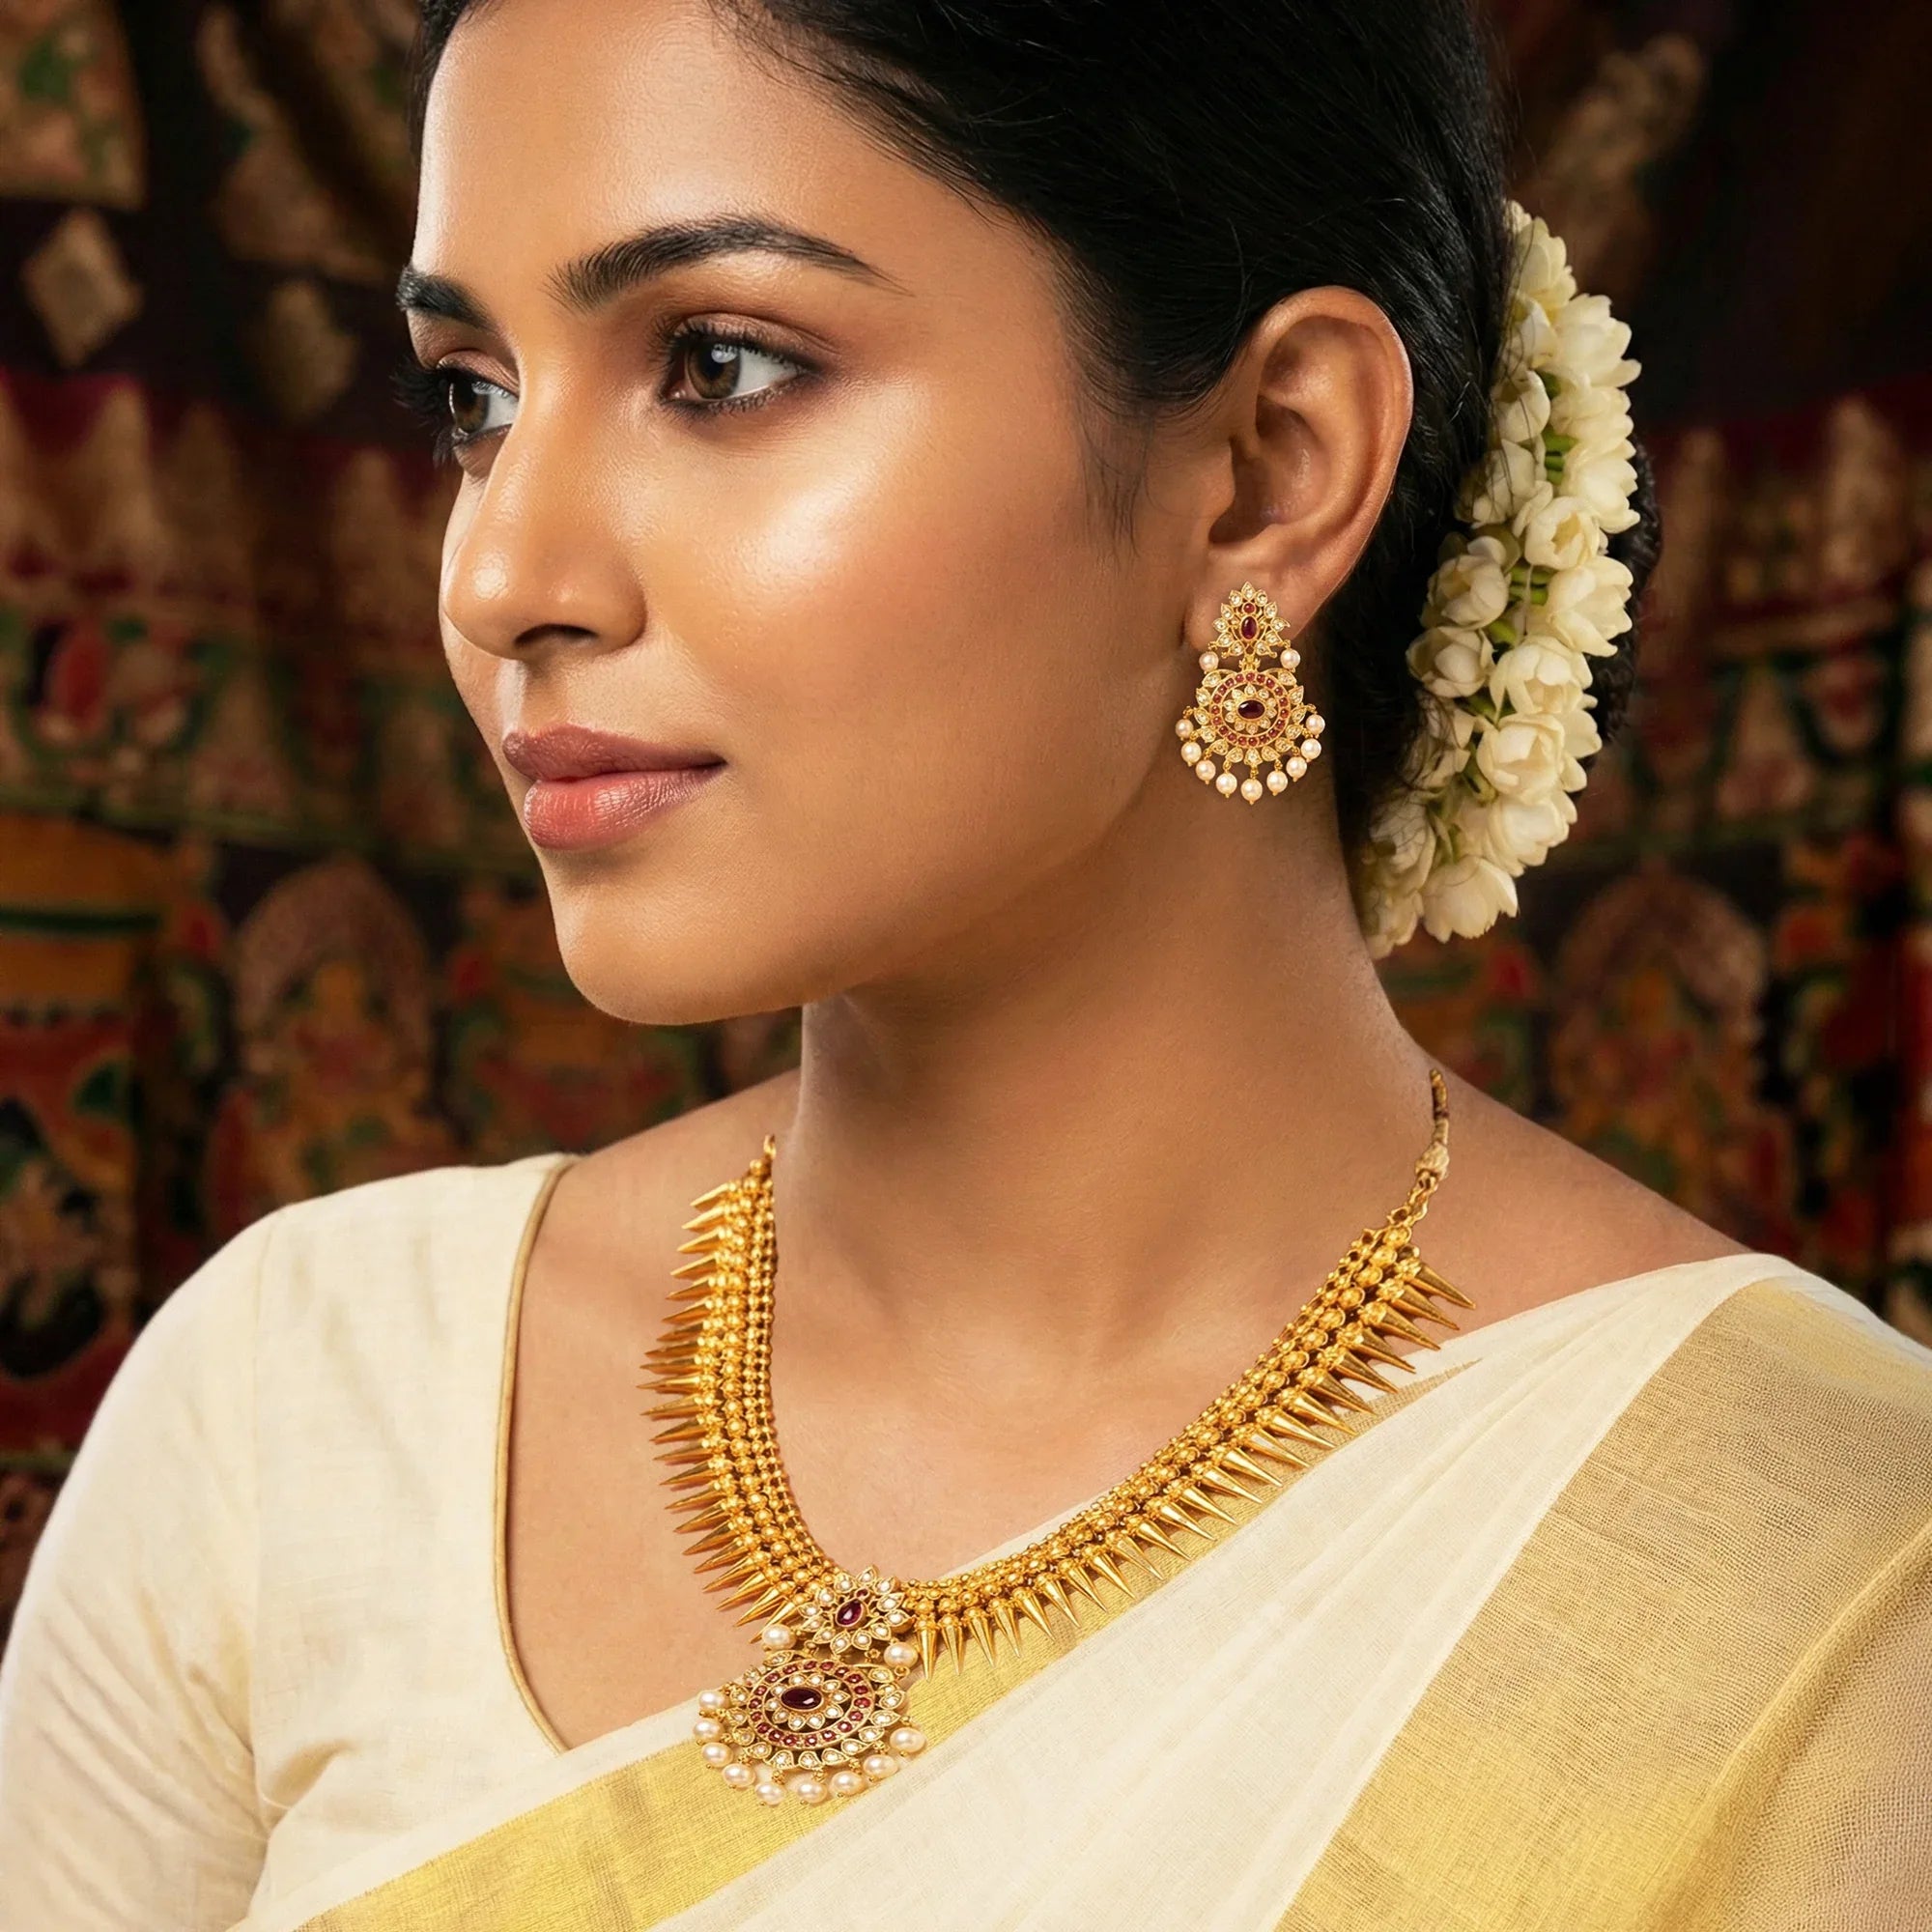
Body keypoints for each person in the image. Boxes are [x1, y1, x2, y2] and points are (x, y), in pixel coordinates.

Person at [3, 0, 1928, 1924]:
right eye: (472, 397)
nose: (502, 575)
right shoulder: (305, 1411)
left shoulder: (1821, 1574)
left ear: (1266, 468)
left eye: (720, 363)